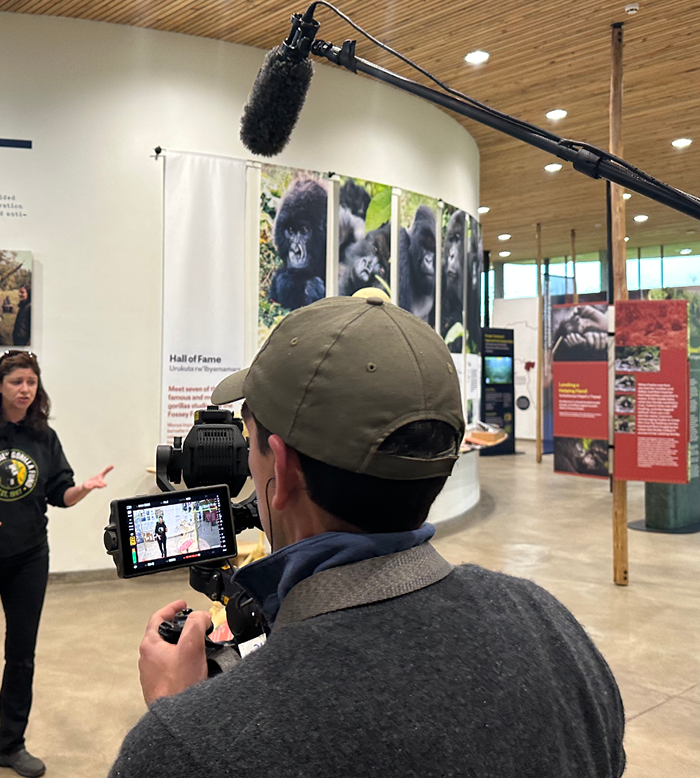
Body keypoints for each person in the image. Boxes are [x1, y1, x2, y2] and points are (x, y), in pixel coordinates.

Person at [110, 296, 625, 778]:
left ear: (282, 471)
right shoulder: (551, 625)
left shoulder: (189, 747)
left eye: (252, 448)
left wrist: (176, 714)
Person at [0, 351, 114, 778]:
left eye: (31, 382)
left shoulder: (42, 436)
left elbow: (60, 493)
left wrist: (84, 489)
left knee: (22, 655)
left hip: (28, 558)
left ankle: (11, 744)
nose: (25, 389)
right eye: (16, 381)